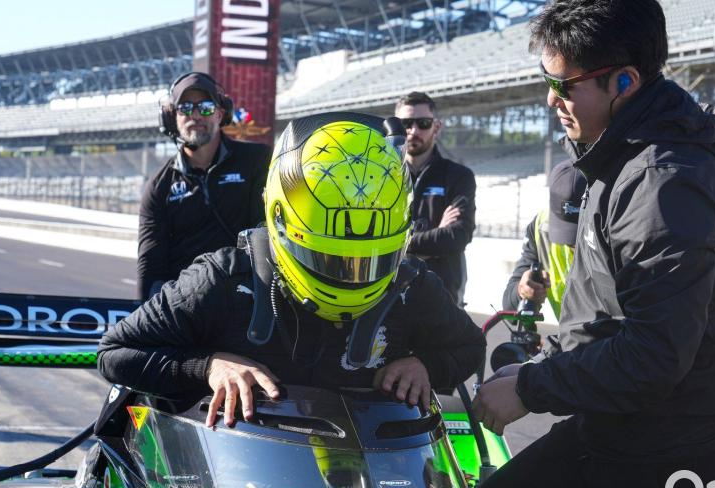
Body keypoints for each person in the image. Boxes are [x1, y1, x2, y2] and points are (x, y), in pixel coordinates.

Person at [471, 1, 715, 488]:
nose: (551, 99)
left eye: (563, 85)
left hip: (676, 460)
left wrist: (532, 388)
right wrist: (542, 364)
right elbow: (606, 314)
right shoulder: (620, 157)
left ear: (624, 82)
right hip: (629, 433)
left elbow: (654, 355)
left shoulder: (662, 183)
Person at [99, 112, 485, 429]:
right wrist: (207, 366)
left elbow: (470, 347)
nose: (351, 277)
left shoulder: (411, 285)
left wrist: (426, 366)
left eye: (372, 262)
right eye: (331, 260)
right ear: (281, 224)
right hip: (234, 483)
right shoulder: (222, 279)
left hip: (362, 481)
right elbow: (115, 352)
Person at [137, 72, 272, 300]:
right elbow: (150, 270)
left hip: (248, 301)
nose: (196, 115)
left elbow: (268, 236)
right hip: (186, 308)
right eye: (185, 108)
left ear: (221, 113)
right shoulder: (159, 187)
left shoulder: (258, 161)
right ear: (171, 117)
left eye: (206, 107)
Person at [395, 92, 477, 305]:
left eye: (423, 123)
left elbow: (457, 236)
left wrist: (400, 244)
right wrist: (433, 237)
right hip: (389, 297)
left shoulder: (458, 176)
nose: (414, 131)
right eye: (406, 124)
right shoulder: (382, 178)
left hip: (442, 298)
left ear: (436, 127)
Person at [502, 161, 586, 319]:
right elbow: (509, 306)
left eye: (581, 232)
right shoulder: (540, 227)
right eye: (566, 231)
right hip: (570, 332)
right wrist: (523, 291)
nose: (573, 244)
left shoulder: (620, 227)